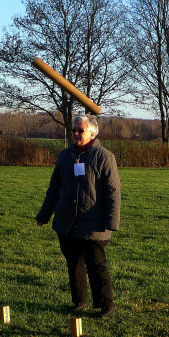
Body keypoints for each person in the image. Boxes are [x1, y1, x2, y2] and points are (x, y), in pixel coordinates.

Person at [36, 114, 121, 318]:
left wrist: (110, 223)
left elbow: (113, 191)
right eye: (74, 129)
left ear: (92, 133)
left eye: (79, 130)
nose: (75, 133)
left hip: (94, 223)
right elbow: (54, 188)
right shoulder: (65, 156)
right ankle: (79, 302)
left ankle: (105, 306)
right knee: (73, 263)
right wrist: (44, 214)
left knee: (97, 265)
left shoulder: (105, 157)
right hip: (67, 222)